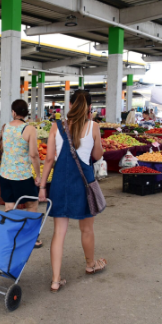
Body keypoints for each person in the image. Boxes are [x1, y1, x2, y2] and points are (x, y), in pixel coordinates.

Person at [39, 90, 106, 293]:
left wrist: (42, 186)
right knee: (86, 229)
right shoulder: (93, 126)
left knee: (59, 232)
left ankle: (55, 280)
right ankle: (90, 264)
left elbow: (49, 159)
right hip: (83, 183)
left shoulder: (56, 126)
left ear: (69, 104)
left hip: (60, 183)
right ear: (89, 108)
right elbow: (98, 155)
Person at [0, 99, 42, 248]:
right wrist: (38, 175)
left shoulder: (5, 128)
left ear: (13, 112)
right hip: (22, 175)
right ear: (26, 112)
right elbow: (34, 155)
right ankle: (32, 238)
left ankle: (11, 236)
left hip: (5, 173)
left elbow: (5, 148)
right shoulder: (29, 129)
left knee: (10, 206)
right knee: (31, 205)